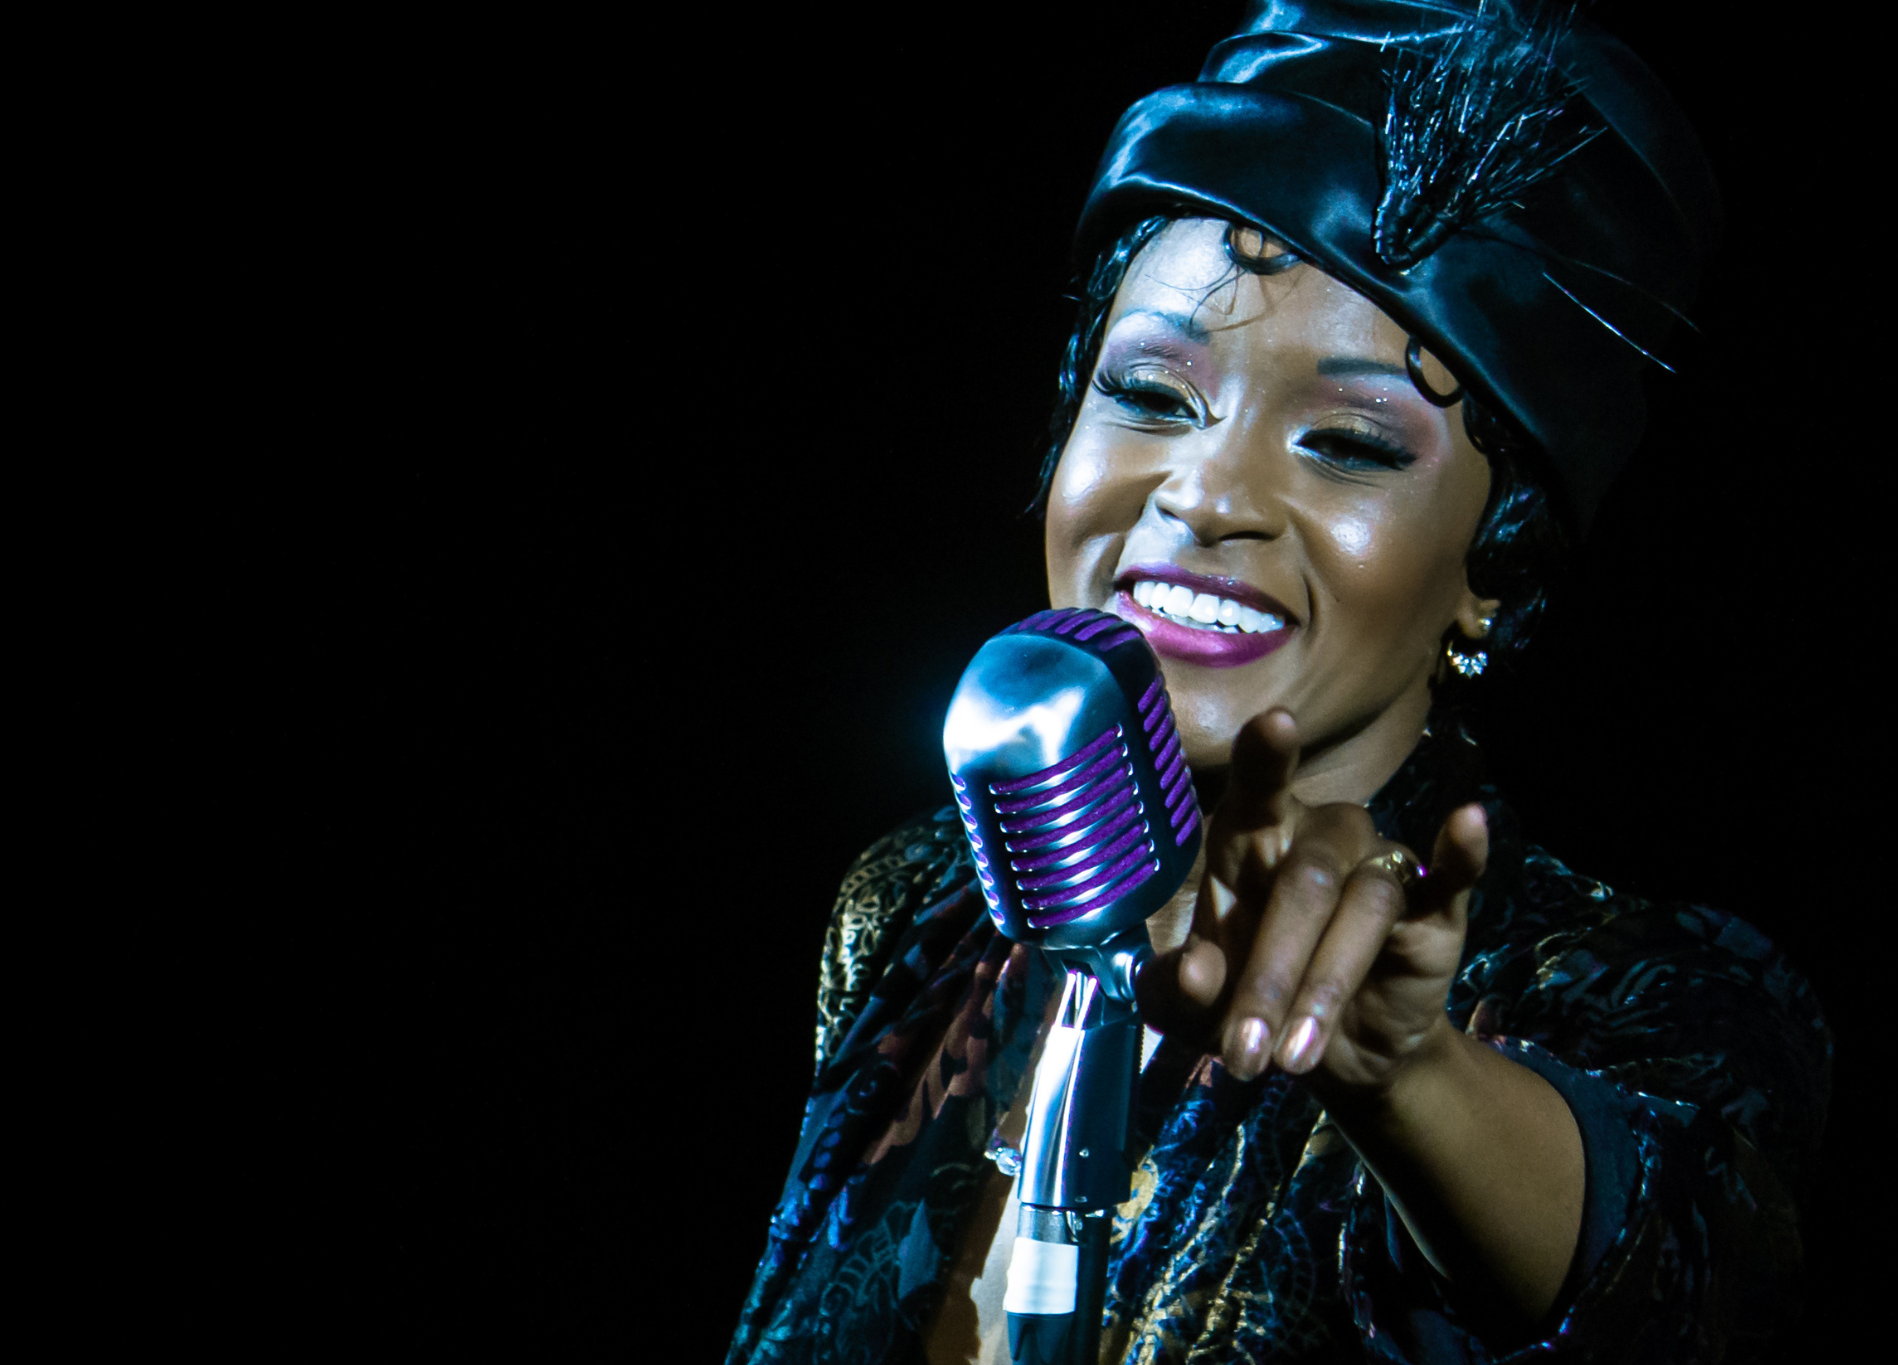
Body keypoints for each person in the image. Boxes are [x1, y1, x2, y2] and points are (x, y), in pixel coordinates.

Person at [728, 3, 1830, 1361]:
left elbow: (1666, 1271)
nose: (1207, 496)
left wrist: (1406, 1074)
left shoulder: (1656, 1000)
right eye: (1152, 395)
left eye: (1351, 444)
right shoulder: (911, 917)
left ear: (1499, 561)